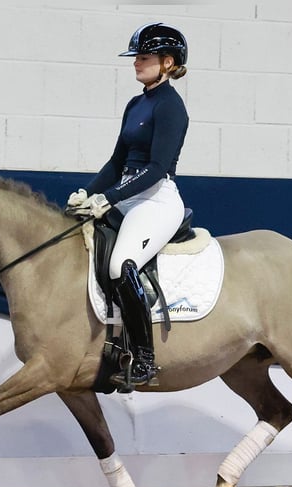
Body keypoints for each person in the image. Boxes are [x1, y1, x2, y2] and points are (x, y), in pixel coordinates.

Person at [67, 22, 189, 388]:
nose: (136, 63)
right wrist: (87, 194)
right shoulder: (136, 104)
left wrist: (110, 198)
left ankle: (144, 358)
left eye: (144, 57)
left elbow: (154, 169)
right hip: (126, 194)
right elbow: (116, 163)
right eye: (136, 56)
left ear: (168, 62)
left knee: (122, 264)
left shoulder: (171, 107)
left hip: (156, 200)